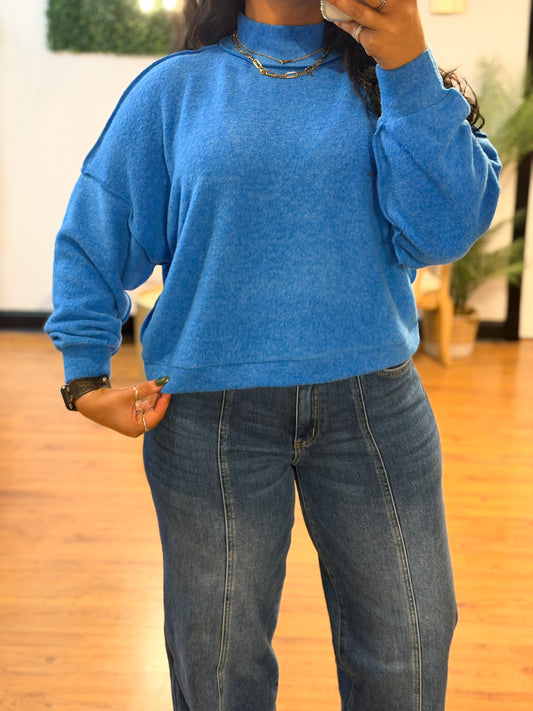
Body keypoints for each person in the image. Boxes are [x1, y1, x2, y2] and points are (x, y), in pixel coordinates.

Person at [46, 1, 501, 708]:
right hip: (209, 419)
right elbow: (96, 226)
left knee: (407, 660)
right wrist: (84, 371)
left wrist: (409, 63)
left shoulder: (393, 80)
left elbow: (445, 232)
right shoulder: (176, 89)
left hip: (374, 410)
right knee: (219, 676)